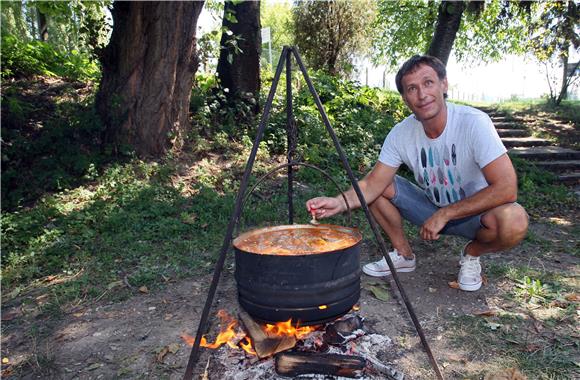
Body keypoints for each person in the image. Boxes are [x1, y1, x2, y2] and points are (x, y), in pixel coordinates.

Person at [306, 55, 528, 292]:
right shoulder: (401, 133)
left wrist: (447, 213)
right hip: (430, 209)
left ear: (444, 84)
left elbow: (506, 187)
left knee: (514, 220)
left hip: (476, 215)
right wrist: (338, 202)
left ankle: (472, 254)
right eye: (412, 88)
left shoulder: (474, 123)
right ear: (404, 98)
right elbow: (373, 183)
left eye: (428, 83)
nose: (422, 95)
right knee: (379, 189)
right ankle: (404, 255)